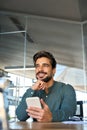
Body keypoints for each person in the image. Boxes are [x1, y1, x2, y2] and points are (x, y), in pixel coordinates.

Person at [16, 50, 76, 122]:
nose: (40, 69)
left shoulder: (66, 89)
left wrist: (51, 116)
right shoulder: (33, 91)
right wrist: (31, 90)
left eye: (45, 65)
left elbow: (69, 113)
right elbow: (20, 116)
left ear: (53, 70)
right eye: (37, 66)